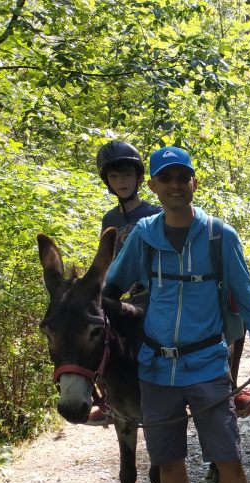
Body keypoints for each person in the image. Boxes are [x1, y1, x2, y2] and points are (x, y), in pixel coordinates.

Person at [104, 146, 250, 483]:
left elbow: (248, 297)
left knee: (227, 459)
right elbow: (111, 289)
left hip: (205, 364)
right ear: (154, 186)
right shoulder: (143, 235)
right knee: (169, 460)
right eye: (167, 179)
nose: (176, 186)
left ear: (194, 183)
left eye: (183, 178)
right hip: (156, 368)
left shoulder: (220, 236)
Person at [88, 140, 162, 426]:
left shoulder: (155, 213)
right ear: (107, 180)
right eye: (114, 176)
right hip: (124, 295)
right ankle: (106, 399)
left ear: (140, 178)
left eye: (127, 174)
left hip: (156, 291)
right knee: (95, 334)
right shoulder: (110, 218)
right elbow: (109, 259)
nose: (121, 181)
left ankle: (219, 389)